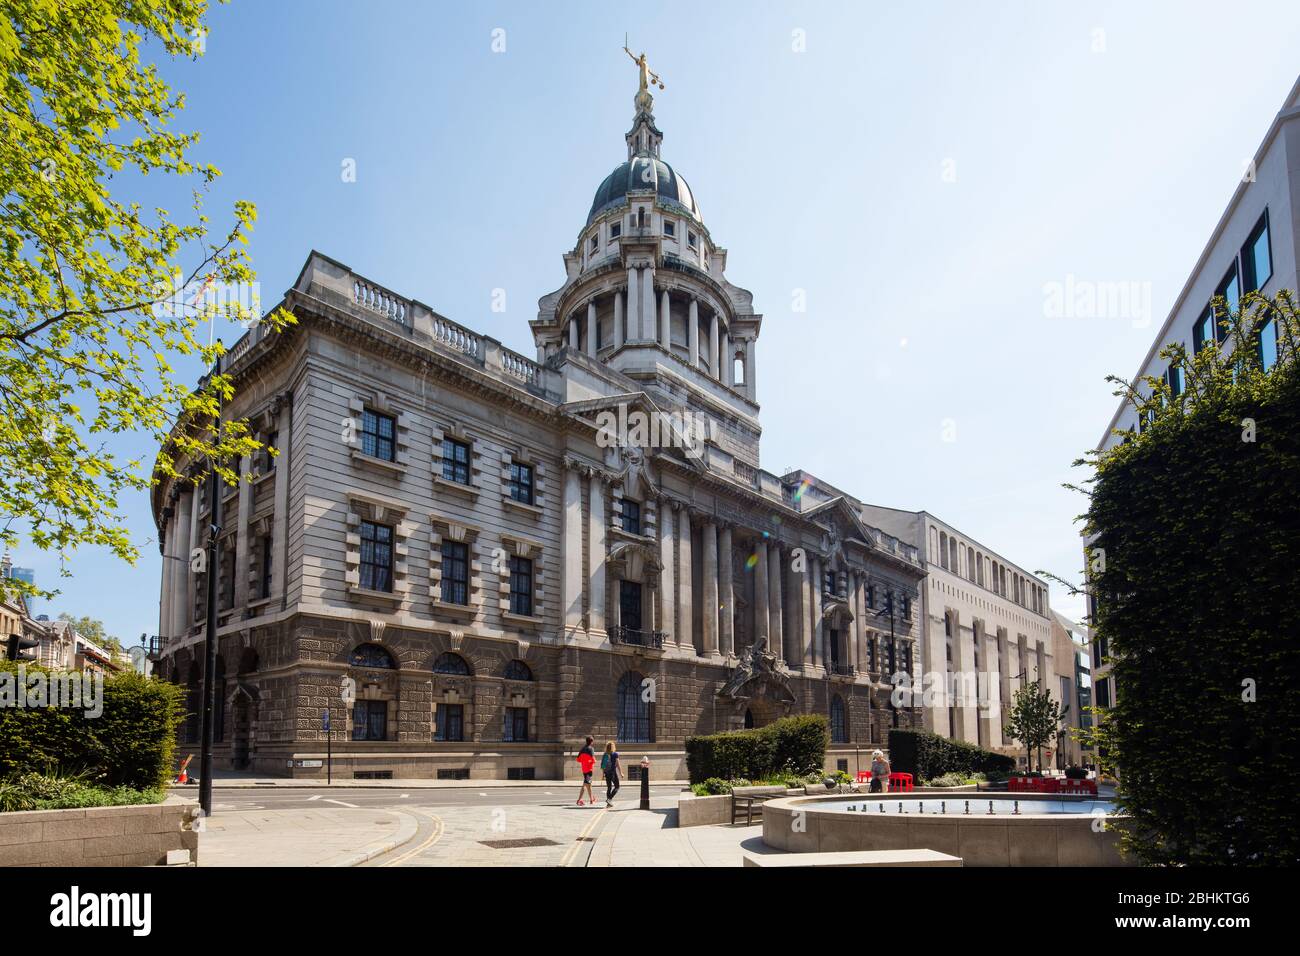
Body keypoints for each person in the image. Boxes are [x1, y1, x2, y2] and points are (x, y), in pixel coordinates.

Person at [576, 736, 596, 806]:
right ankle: (579, 800)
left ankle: (591, 799)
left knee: (588, 785)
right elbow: (593, 760)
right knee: (585, 784)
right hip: (589, 769)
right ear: (591, 742)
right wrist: (589, 761)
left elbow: (578, 759)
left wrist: (584, 761)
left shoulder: (582, 749)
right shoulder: (591, 749)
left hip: (584, 769)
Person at [601, 741, 622, 807]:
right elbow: (618, 764)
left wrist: (603, 774)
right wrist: (621, 773)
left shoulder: (605, 754)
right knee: (617, 786)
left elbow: (603, 766)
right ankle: (609, 799)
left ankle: (608, 803)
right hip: (612, 772)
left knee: (609, 787)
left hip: (607, 773)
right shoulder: (615, 754)